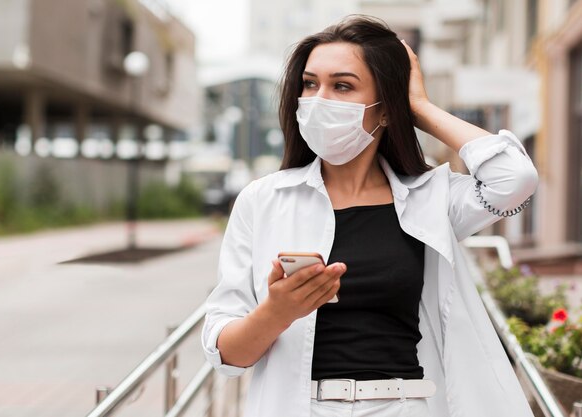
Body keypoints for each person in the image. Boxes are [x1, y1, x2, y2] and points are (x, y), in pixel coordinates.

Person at [202, 15, 538, 417]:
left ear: (385, 109)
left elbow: (513, 178)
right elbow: (224, 353)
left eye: (342, 86)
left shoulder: (431, 196)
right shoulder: (263, 199)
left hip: (408, 406)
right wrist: (276, 313)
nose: (318, 99)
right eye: (310, 84)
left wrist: (420, 108)